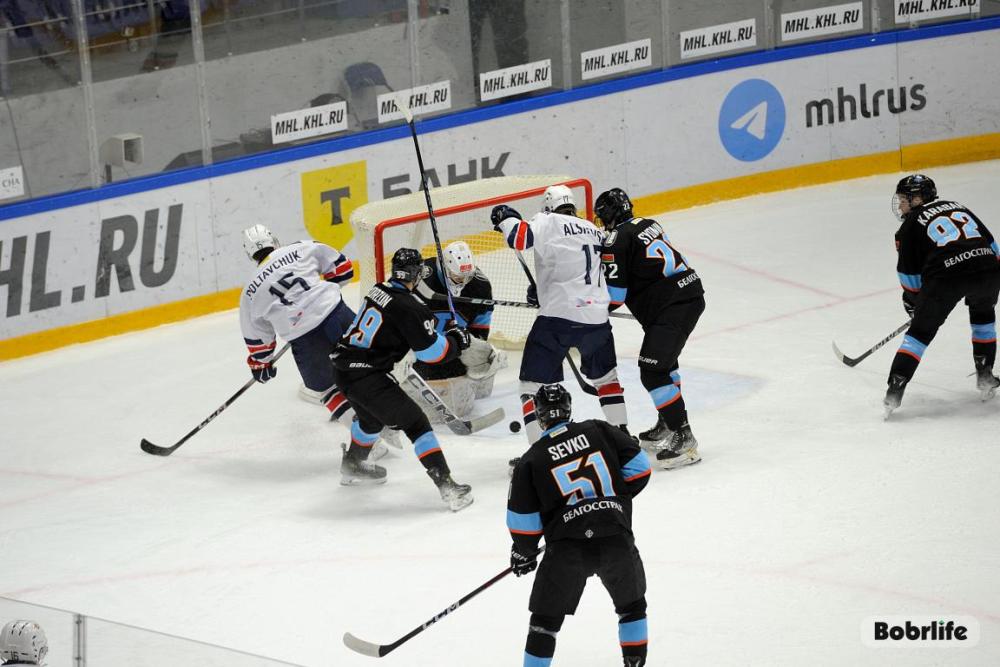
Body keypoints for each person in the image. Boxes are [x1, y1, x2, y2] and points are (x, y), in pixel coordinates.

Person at [507, 384, 652, 667]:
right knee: (632, 607)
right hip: (615, 537)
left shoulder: (532, 459)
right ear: (569, 408)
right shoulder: (599, 429)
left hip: (567, 550)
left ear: (538, 415)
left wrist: (523, 552)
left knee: (544, 623)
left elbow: (524, 527)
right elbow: (640, 469)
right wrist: (609, 503)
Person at [332, 248, 475, 511]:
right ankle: (448, 487)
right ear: (417, 274)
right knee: (417, 423)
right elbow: (432, 354)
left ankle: (353, 464)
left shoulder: (379, 289)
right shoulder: (410, 307)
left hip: (343, 369)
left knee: (371, 420)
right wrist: (457, 341)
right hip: (367, 376)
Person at [491, 185, 629, 444]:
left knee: (531, 386)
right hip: (596, 318)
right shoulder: (593, 229)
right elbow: (578, 266)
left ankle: (538, 449)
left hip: (557, 318)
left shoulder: (548, 220)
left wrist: (506, 216)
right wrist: (544, 290)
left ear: (547, 206)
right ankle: (622, 436)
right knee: (607, 379)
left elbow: (519, 238)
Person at [596, 188, 705, 469]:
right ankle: (668, 422)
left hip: (673, 306)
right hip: (685, 295)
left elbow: (616, 297)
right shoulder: (647, 223)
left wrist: (585, 308)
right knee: (664, 363)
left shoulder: (616, 240)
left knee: (652, 370)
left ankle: (684, 437)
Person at [884, 174, 1000, 416]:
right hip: (988, 269)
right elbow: (992, 246)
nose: (901, 206)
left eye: (904, 200)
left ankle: (895, 390)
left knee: (919, 335)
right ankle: (985, 375)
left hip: (946, 278)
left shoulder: (908, 226)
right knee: (984, 317)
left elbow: (908, 273)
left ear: (917, 199)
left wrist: (914, 302)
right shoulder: (958, 206)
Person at [239, 224, 359, 427]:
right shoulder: (302, 247)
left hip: (306, 339)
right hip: (338, 315)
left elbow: (258, 339)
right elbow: (343, 269)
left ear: (250, 254)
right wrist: (321, 295)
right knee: (371, 359)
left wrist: (261, 364)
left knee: (328, 389)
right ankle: (395, 407)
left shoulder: (249, 291)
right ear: (273, 240)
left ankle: (365, 438)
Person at [413, 240, 507, 405]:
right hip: (423, 345)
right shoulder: (421, 278)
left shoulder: (480, 286)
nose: (463, 282)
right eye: (458, 277)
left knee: (484, 357)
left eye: (467, 277)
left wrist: (468, 345)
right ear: (444, 270)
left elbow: (480, 328)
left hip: (453, 346)